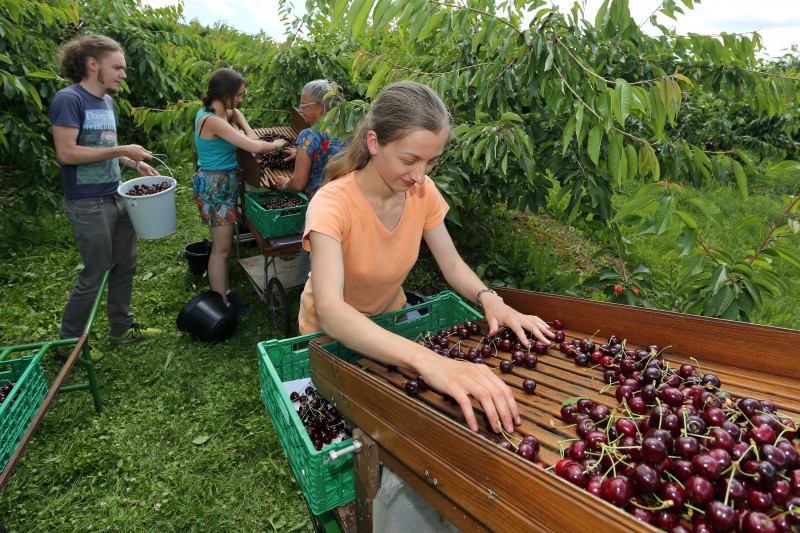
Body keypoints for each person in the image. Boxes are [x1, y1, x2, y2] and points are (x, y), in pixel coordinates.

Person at [299, 81, 555, 435]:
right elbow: (330, 310)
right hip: (334, 339)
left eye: (431, 161)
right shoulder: (332, 205)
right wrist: (426, 360)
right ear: (373, 143)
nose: (420, 176)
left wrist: (491, 300)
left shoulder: (422, 192)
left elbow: (450, 264)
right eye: (410, 160)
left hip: (393, 325)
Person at [50, 34, 161, 351]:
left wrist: (131, 162)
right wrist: (122, 149)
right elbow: (67, 153)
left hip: (117, 195)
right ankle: (68, 344)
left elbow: (105, 148)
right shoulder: (69, 100)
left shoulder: (107, 101)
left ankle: (121, 327)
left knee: (125, 264)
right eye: (118, 67)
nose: (123, 74)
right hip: (87, 202)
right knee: (96, 271)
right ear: (92, 64)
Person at [192, 68, 287, 313]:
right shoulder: (213, 120)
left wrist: (243, 122)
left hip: (222, 183)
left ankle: (226, 292)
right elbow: (253, 145)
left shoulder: (218, 112)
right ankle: (221, 302)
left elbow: (239, 115)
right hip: (216, 188)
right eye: (239, 95)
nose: (241, 100)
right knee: (221, 249)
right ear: (226, 94)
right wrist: (275, 144)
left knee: (223, 246)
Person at [277, 79, 344, 285]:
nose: (301, 110)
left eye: (304, 105)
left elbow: (298, 183)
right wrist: (302, 153)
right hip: (348, 203)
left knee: (319, 260)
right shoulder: (349, 130)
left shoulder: (309, 135)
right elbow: (332, 153)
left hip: (322, 208)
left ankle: (313, 298)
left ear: (320, 107)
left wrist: (283, 184)